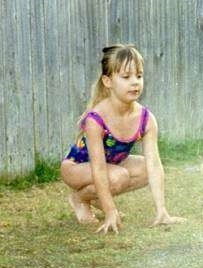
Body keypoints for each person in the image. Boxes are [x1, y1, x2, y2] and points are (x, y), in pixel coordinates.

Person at [60, 44, 185, 234]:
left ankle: (96, 198)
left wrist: (162, 211)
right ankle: (81, 198)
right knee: (119, 176)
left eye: (139, 76)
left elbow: (154, 165)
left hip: (112, 165)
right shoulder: (96, 119)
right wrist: (111, 211)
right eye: (126, 77)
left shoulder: (146, 119)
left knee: (146, 169)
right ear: (108, 81)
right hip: (77, 168)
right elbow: (99, 168)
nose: (135, 82)